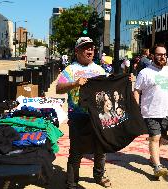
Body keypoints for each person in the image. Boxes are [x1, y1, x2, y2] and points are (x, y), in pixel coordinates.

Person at [56, 37, 111, 188]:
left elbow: (108, 89)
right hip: (78, 116)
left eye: (92, 48)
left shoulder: (100, 69)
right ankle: (72, 182)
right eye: (86, 47)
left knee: (101, 148)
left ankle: (99, 175)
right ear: (77, 51)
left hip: (98, 116)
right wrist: (74, 83)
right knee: (76, 151)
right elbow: (58, 88)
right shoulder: (70, 69)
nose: (90, 50)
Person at [133, 44, 168, 177]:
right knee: (155, 137)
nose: (162, 57)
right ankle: (157, 166)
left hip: (166, 111)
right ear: (152, 56)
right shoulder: (145, 72)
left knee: (161, 138)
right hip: (150, 112)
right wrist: (136, 106)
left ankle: (153, 158)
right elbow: (137, 91)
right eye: (159, 54)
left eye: (164, 55)